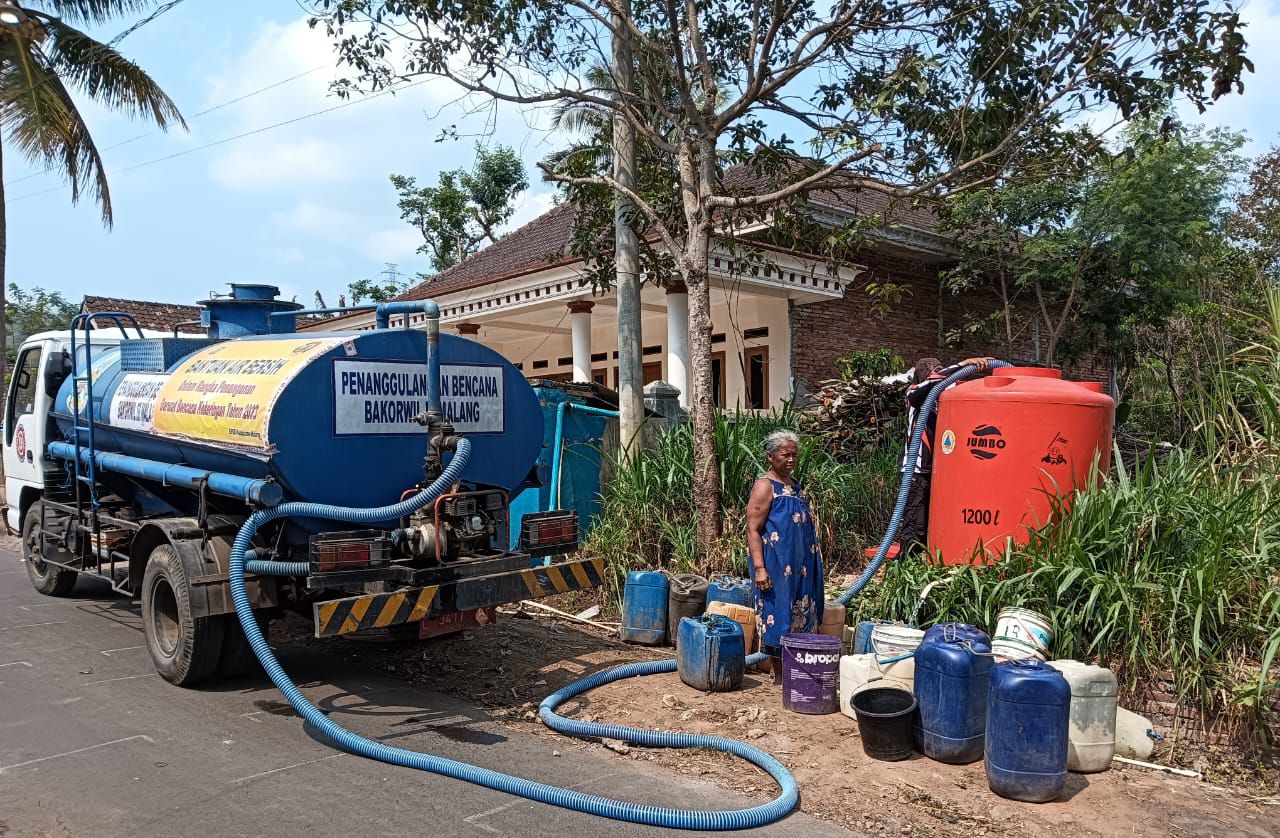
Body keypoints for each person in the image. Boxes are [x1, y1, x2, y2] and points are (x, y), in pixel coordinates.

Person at [746, 430, 824, 680]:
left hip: (802, 564)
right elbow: (753, 529)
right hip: (776, 565)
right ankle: (779, 674)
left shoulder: (794, 485)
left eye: (794, 455)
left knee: (802, 613)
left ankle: (794, 672)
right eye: (785, 455)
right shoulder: (764, 486)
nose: (791, 459)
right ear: (770, 457)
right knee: (778, 614)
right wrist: (760, 568)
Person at [898, 356, 994, 552]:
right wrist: (963, 365)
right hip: (915, 471)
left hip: (937, 471)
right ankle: (906, 570)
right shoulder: (914, 393)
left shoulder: (942, 396)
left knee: (931, 524)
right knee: (915, 525)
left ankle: (922, 564)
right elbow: (935, 380)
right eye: (937, 371)